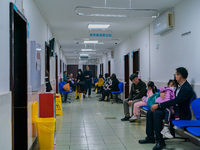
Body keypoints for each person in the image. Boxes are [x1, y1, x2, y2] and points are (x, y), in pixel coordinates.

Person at [139, 67, 193, 150]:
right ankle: (150, 137)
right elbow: (169, 96)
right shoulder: (177, 86)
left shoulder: (187, 89)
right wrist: (161, 94)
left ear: (179, 76)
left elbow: (176, 101)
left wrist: (159, 105)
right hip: (171, 109)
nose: (174, 76)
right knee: (150, 112)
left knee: (157, 113)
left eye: (175, 74)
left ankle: (160, 141)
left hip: (179, 113)